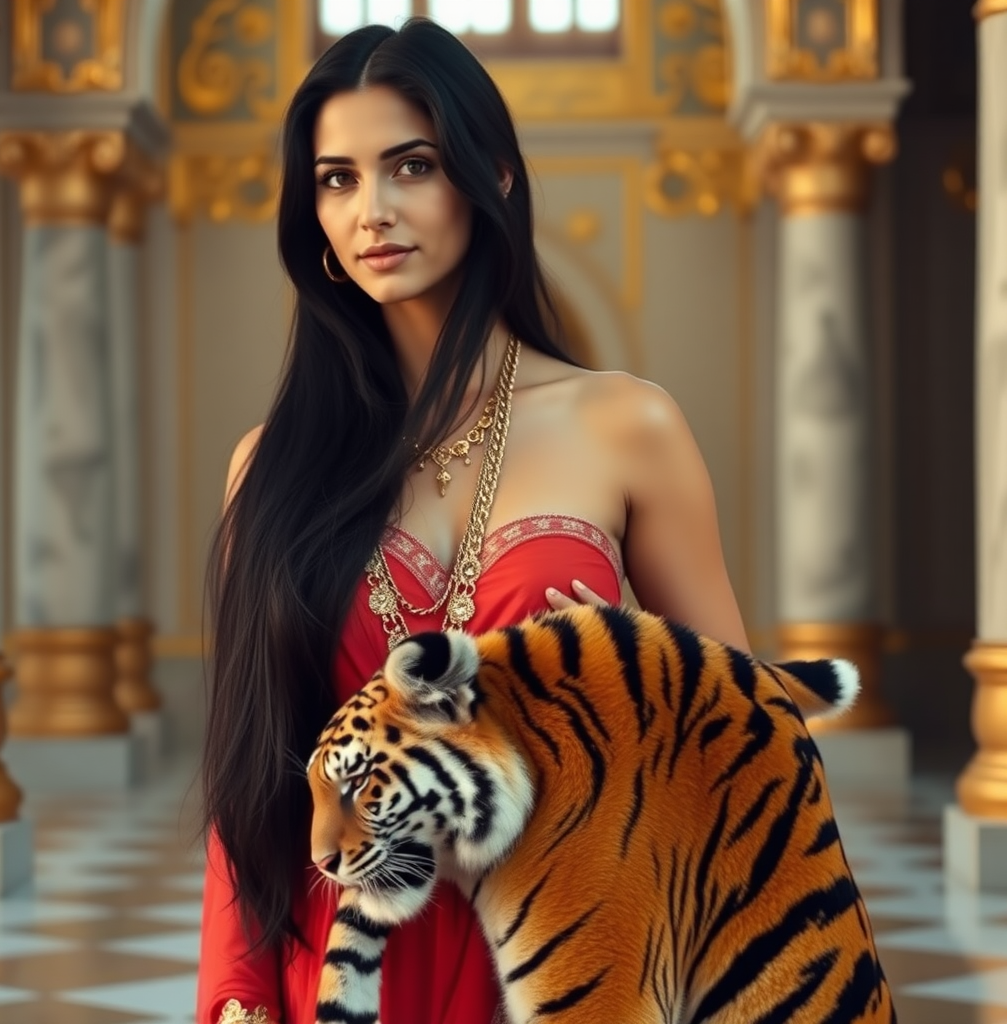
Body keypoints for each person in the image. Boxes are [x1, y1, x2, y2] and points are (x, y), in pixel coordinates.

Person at [197, 17, 749, 1024]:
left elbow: (751, 751)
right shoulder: (267, 466)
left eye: (410, 165)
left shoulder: (626, 424)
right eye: (336, 179)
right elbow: (250, 774)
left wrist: (628, 699)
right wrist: (237, 993)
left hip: (562, 962)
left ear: (491, 175)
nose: (373, 209)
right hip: (340, 977)